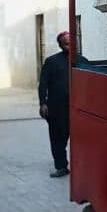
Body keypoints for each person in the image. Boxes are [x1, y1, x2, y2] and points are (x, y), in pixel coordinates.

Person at [38, 31, 83, 178]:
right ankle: (61, 166)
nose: (69, 46)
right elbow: (43, 84)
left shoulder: (82, 61)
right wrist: (43, 103)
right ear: (60, 45)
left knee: (80, 140)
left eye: (71, 43)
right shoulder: (51, 62)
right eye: (66, 43)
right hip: (57, 109)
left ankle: (81, 167)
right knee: (57, 139)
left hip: (77, 108)